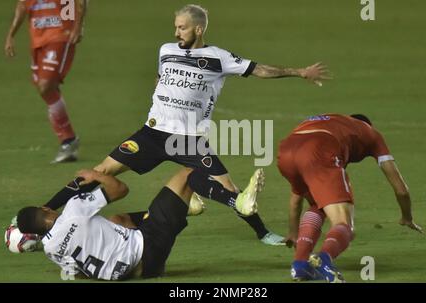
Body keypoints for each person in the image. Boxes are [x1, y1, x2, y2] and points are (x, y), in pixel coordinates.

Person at [42, 4, 330, 245]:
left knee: (230, 189)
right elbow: (160, 76)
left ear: (198, 29)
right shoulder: (166, 49)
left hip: (189, 139)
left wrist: (299, 72)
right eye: (176, 26)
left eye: (181, 27)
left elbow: (259, 70)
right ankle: (47, 210)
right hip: (152, 134)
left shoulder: (219, 58)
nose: (176, 32)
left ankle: (263, 233)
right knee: (101, 171)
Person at [17, 167, 256, 280]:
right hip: (150, 247)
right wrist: (97, 176)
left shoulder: (50, 249)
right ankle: (238, 202)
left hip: (137, 272)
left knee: (117, 220)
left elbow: (77, 275)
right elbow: (121, 189)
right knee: (188, 174)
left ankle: (185, 208)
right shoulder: (74, 210)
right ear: (46, 209)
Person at [277, 114, 423, 283]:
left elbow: (296, 197)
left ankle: (300, 265)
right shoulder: (371, 134)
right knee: (344, 224)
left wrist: (293, 233)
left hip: (286, 151)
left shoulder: (335, 121)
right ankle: (325, 260)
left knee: (318, 204)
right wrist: (407, 217)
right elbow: (401, 189)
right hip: (320, 147)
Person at [5, 0, 87, 163]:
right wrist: (10, 35)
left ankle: (68, 141)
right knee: (47, 91)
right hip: (38, 39)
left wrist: (76, 26)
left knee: (45, 86)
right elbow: (22, 5)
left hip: (60, 35)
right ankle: (68, 141)